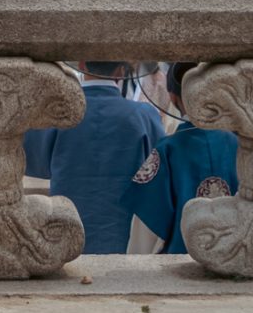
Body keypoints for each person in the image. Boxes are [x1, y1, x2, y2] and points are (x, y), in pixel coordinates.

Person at [23, 61, 165, 256]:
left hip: (67, 229)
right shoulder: (143, 115)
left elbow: (34, 162)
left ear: (82, 65)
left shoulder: (59, 114)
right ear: (121, 70)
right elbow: (160, 169)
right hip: (124, 233)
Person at [125, 63, 238, 255]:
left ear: (172, 95)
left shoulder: (165, 150)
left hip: (179, 265)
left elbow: (147, 224)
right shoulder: (239, 146)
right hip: (235, 258)